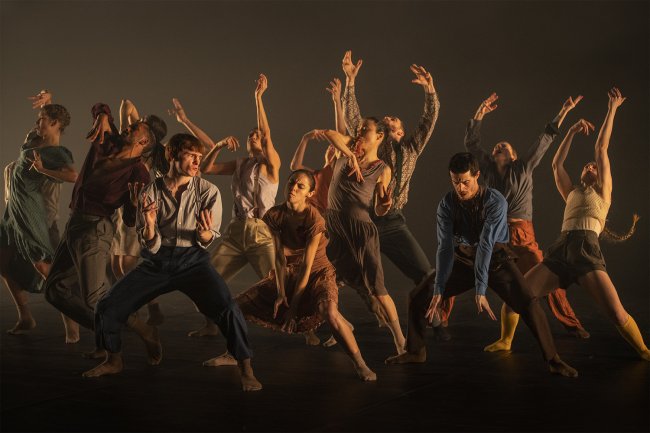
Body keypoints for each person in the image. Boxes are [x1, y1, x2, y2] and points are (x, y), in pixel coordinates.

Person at [82, 133, 262, 391]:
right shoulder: (151, 191)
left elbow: (207, 238)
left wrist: (204, 233)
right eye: (191, 155)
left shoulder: (208, 191)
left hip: (193, 262)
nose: (197, 162)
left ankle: (246, 368)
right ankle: (114, 360)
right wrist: (150, 226)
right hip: (158, 261)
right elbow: (151, 245)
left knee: (229, 309)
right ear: (172, 155)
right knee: (107, 306)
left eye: (199, 157)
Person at [386, 152, 577, 378]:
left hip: (496, 260)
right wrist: (438, 288)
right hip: (464, 259)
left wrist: (480, 288)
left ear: (477, 175)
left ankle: (554, 360)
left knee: (529, 303)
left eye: (465, 182)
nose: (460, 188)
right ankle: (415, 351)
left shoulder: (495, 201)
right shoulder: (447, 204)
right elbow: (445, 248)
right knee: (419, 296)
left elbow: (486, 244)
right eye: (455, 182)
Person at [204, 170, 376, 381]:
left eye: (300, 186)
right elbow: (278, 257)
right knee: (235, 307)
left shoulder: (314, 219)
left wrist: (293, 308)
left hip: (318, 272)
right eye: (292, 182)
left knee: (329, 312)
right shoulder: (274, 215)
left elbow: (306, 265)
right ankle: (233, 354)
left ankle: (360, 364)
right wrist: (280, 292)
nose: (293, 188)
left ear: (310, 193)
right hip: (288, 271)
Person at [520, 88, 650, 362]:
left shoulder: (603, 193)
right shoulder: (571, 193)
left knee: (616, 313)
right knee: (521, 294)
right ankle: (505, 341)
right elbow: (556, 165)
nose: (590, 167)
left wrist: (612, 109)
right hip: (562, 247)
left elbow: (601, 148)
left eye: (594, 167)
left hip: (586, 249)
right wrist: (570, 131)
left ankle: (644, 350)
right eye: (587, 167)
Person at [457, 92, 591, 353]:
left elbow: (546, 137)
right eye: (497, 146)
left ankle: (571, 324)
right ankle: (437, 315)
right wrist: (480, 112)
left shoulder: (524, 166)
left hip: (521, 234)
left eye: (505, 146)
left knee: (548, 277)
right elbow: (471, 142)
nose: (499, 147)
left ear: (514, 155)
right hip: (494, 232)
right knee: (461, 263)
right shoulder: (487, 168)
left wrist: (564, 110)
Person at [44, 101, 165, 355]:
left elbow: (130, 220)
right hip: (75, 223)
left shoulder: (139, 173)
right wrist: (101, 114)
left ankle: (141, 330)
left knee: (94, 297)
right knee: (54, 291)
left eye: (134, 128)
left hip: (96, 229)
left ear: (143, 142)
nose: (128, 127)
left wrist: (134, 206)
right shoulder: (107, 140)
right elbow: (101, 106)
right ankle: (105, 334)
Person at [341, 51, 442, 335]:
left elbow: (429, 120)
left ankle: (433, 319)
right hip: (365, 220)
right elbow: (354, 121)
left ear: (401, 131)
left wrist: (430, 90)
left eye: (393, 121)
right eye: (384, 124)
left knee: (425, 273)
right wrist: (350, 83)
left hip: (393, 222)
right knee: (346, 272)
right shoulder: (376, 146)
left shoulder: (410, 149)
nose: (388, 121)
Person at [190, 74, 280, 338]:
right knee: (206, 280)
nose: (253, 136)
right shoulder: (241, 163)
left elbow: (267, 134)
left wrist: (258, 97)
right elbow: (206, 168)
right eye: (250, 134)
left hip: (261, 233)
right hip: (235, 232)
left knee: (277, 286)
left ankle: (305, 328)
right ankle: (211, 325)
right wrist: (218, 145)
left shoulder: (271, 164)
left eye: (257, 134)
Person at [321, 120, 407, 356]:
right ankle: (341, 325)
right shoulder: (348, 149)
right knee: (326, 279)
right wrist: (350, 154)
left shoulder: (382, 169)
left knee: (377, 289)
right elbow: (328, 132)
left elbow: (378, 209)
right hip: (335, 226)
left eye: (364, 130)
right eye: (358, 129)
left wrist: (385, 204)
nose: (359, 133)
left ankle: (400, 340)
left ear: (379, 136)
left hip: (360, 231)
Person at [0, 90, 79, 340]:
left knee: (46, 267)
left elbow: (73, 176)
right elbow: (47, 124)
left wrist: (44, 171)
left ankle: (72, 323)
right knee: (2, 261)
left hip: (36, 215)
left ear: (54, 123)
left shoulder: (58, 152)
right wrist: (48, 104)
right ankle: (25, 317)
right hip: (13, 212)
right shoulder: (36, 139)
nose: (38, 122)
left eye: (43, 119)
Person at [109, 98, 170, 326]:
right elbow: (126, 104)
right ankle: (149, 306)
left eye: (142, 124)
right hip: (119, 208)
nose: (135, 126)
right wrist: (134, 123)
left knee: (126, 267)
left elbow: (127, 106)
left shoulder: (147, 152)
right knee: (116, 266)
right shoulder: (133, 143)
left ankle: (139, 309)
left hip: (135, 208)